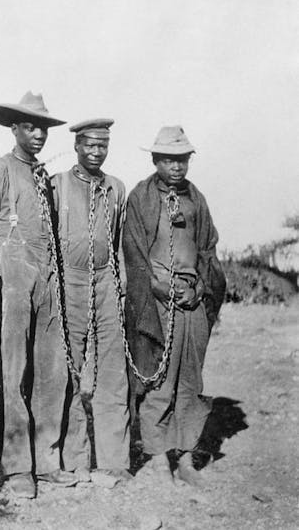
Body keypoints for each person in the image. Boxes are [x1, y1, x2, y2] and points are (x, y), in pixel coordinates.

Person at [0, 92, 78, 499]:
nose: (38, 135)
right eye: (30, 127)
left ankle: (48, 458)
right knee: (14, 372)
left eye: (42, 128)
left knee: (51, 371)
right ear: (14, 128)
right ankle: (18, 466)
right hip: (13, 275)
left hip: (47, 276)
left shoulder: (43, 176)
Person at [123, 126, 225, 487]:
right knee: (158, 380)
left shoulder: (196, 198)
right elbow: (133, 254)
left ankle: (185, 457)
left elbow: (208, 249)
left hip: (190, 302)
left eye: (182, 159)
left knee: (189, 380)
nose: (176, 166)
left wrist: (198, 288)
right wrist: (158, 288)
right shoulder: (141, 197)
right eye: (168, 159)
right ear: (155, 160)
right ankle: (155, 459)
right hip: (156, 303)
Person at [52, 119, 131, 483]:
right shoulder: (58, 185)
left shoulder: (117, 188)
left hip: (108, 282)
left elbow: (117, 240)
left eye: (103, 145)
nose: (97, 152)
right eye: (90, 145)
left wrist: (120, 284)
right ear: (77, 147)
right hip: (70, 281)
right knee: (70, 371)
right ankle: (75, 459)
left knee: (112, 371)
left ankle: (114, 459)